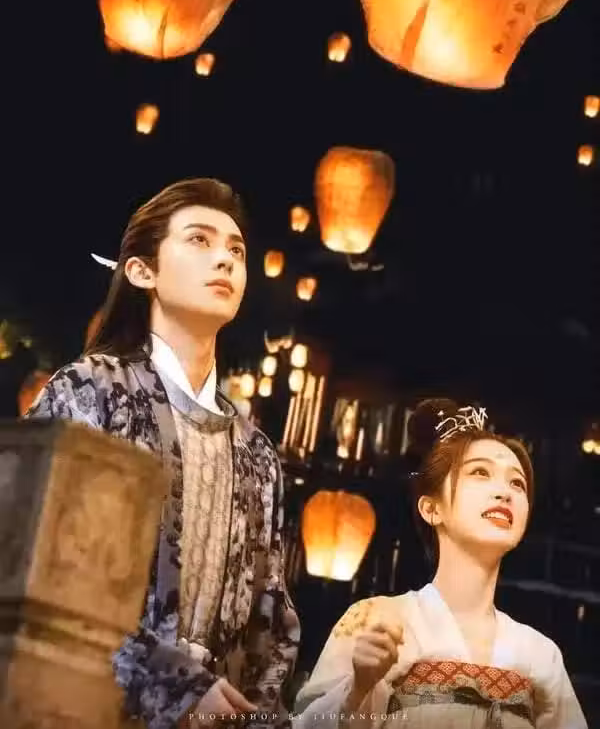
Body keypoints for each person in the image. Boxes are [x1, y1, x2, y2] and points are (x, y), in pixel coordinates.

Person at [26, 178, 300, 729]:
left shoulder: (257, 453)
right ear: (141, 271)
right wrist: (176, 689)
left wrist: (254, 712)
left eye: (236, 249)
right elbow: (46, 570)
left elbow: (272, 621)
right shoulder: (91, 392)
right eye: (199, 240)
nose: (224, 258)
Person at [294, 397, 587, 728]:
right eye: (480, 472)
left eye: (517, 483)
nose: (505, 493)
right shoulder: (375, 620)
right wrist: (359, 686)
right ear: (431, 508)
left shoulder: (541, 656)